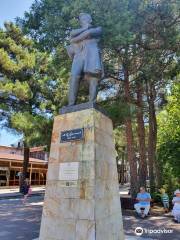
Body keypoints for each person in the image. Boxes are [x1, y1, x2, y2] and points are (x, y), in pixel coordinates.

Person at [66, 13, 103, 105]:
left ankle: (92, 102)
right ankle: (71, 104)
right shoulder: (78, 30)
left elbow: (89, 33)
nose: (83, 20)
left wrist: (77, 38)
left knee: (93, 78)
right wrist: (85, 29)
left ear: (90, 20)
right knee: (74, 77)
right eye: (81, 19)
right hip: (79, 55)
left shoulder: (98, 29)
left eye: (85, 18)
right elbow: (71, 36)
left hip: (92, 55)